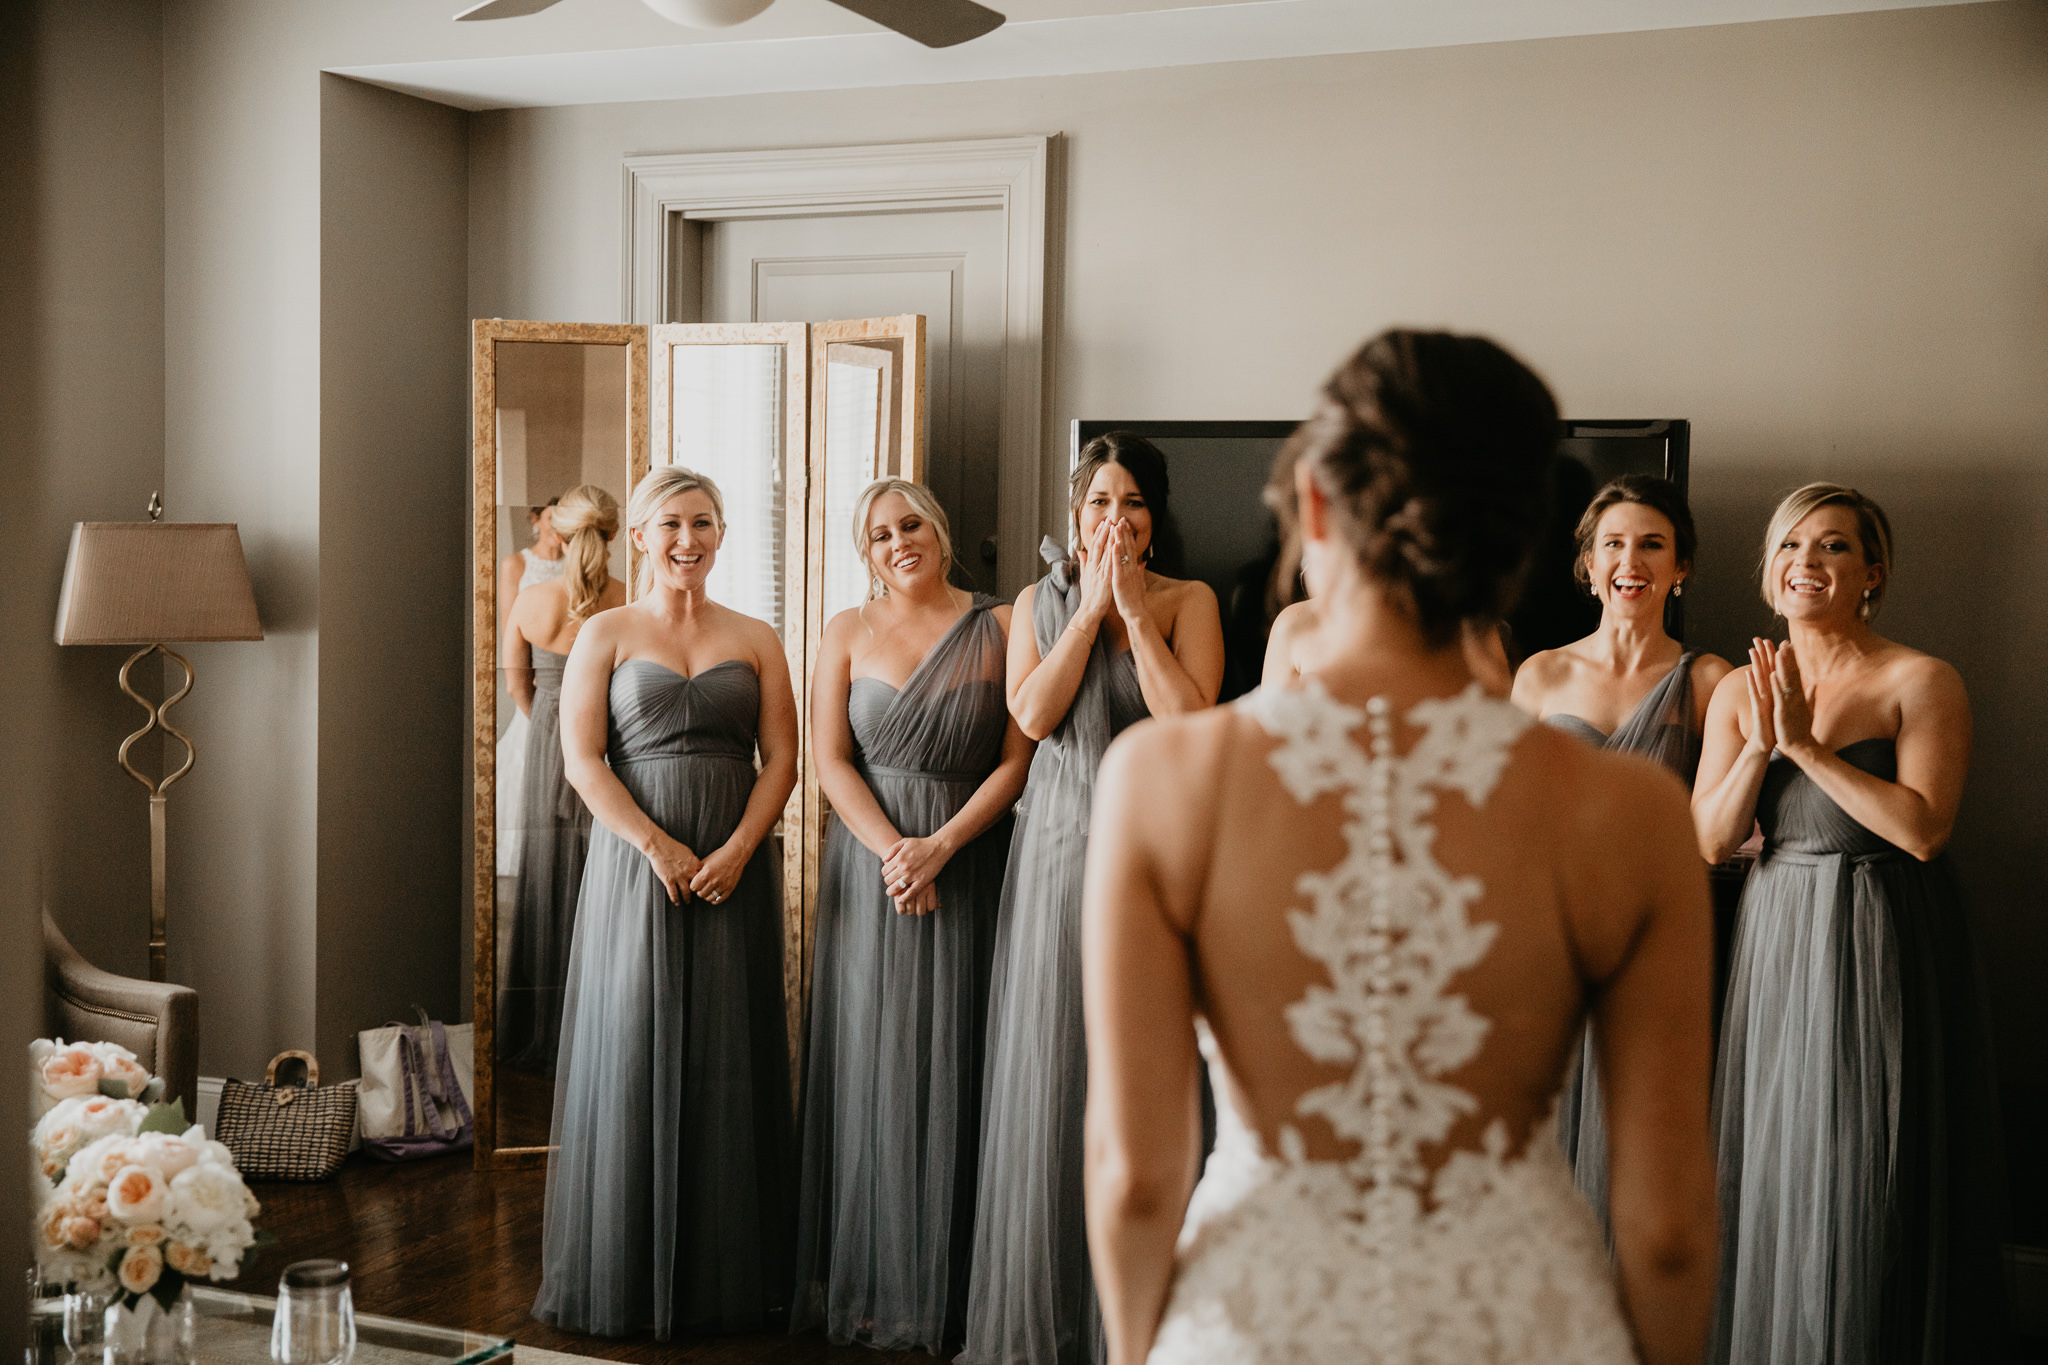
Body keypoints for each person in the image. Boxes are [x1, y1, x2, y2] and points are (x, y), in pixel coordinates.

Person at [1082, 330, 1718, 1365]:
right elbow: (1670, 1227)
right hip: (1526, 1329)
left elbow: (1134, 1177)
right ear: (1526, 533)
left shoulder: (1160, 780)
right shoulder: (1632, 811)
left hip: (1250, 1330)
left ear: (1314, 506)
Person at [1692, 483, 2009, 1364]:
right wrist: (1763, 739)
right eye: (1791, 544)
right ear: (1770, 568)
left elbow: (1924, 830)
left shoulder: (1921, 678)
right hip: (1778, 926)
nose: (1807, 561)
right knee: (1784, 1154)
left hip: (1882, 929)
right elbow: (1710, 838)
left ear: (1872, 572)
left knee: (1871, 1159)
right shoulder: (1737, 690)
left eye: (1832, 545)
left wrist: (1806, 747)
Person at [962, 432, 1225, 1365]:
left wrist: (1134, 614)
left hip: (1160, 857)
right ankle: (1052, 1321)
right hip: (1060, 850)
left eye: (1133, 502)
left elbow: (1191, 720)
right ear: (1076, 517)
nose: (1117, 518)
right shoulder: (1036, 601)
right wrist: (1085, 617)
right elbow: (1032, 716)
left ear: (1156, 517)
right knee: (1054, 1069)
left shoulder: (1191, 601)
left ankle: (1146, 1324)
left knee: (1149, 1071)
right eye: (1100, 502)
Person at [533, 466, 799, 1338]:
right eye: (673, 524)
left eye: (704, 522)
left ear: (721, 534)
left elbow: (783, 761)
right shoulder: (604, 631)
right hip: (636, 865)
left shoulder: (757, 637)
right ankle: (626, 1266)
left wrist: (737, 850)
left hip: (733, 865)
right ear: (642, 536)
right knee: (632, 1041)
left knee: (729, 1047)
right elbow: (582, 760)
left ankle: (732, 1272)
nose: (689, 539)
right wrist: (657, 846)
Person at [791, 479, 1034, 1353]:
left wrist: (942, 846)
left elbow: (1017, 759)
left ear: (939, 529)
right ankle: (875, 1279)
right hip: (872, 870)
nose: (900, 542)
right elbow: (829, 759)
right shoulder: (844, 630)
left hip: (970, 861)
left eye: (911, 525)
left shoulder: (1002, 623)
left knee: (965, 1059)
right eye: (880, 534)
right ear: (867, 551)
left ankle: (959, 1287)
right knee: (876, 1064)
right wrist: (898, 850)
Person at [1510, 474, 1731, 1225]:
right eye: (1613, 544)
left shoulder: (1710, 680)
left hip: (1654, 937)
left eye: (1651, 545)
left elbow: (1719, 824)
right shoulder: (1540, 673)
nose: (1629, 561)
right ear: (1589, 563)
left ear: (1681, 566)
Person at [497, 485, 626, 1069]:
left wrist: (553, 726)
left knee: (547, 877)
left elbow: (516, 685)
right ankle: (604, 1028)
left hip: (549, 735)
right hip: (616, 743)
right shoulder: (629, 599)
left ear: (558, 530)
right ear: (614, 533)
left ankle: (543, 1024)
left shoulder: (531, 601)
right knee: (609, 873)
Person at [497, 498, 564, 878]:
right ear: (536, 520)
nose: (557, 526)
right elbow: (511, 625)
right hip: (535, 678)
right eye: (551, 517)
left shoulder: (576, 564)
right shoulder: (516, 565)